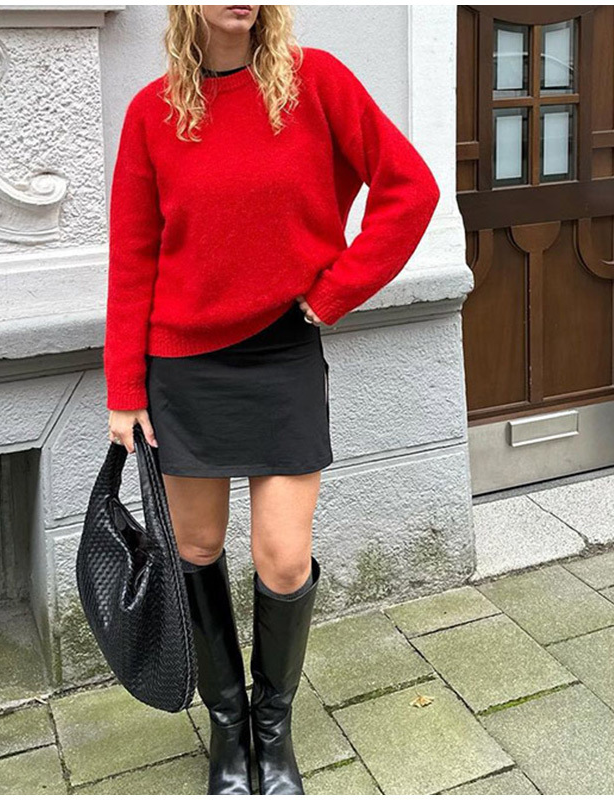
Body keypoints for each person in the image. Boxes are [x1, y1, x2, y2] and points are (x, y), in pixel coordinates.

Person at [104, 5, 440, 795]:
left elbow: (411, 190)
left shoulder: (316, 83)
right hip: (183, 364)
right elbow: (133, 255)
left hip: (282, 353)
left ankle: (271, 728)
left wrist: (336, 292)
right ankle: (227, 731)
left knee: (284, 559)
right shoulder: (153, 112)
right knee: (195, 549)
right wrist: (124, 388)